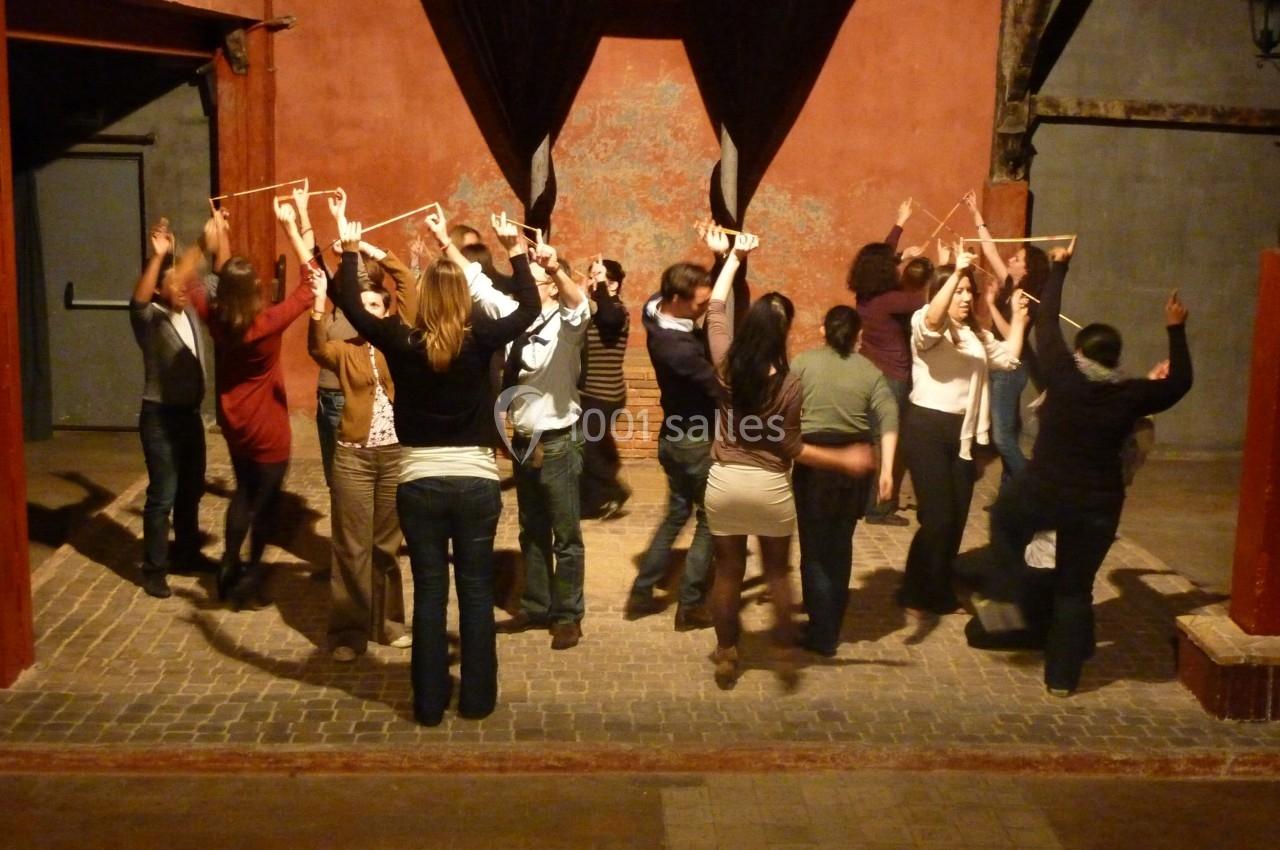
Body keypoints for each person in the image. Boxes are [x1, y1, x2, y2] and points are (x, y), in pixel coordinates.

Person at [331, 209, 538, 725]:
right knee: (473, 590)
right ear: (464, 299)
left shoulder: (402, 342)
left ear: (423, 297)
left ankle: (426, 704)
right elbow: (530, 307)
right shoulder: (482, 338)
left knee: (428, 592)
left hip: (419, 481)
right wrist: (514, 248)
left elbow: (352, 307)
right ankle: (477, 699)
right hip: (475, 481)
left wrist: (350, 250)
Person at [976, 244, 1192, 696]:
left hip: (1044, 494)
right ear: (1115, 360)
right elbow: (1179, 384)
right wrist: (1176, 329)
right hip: (1096, 507)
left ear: (1080, 353)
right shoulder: (1130, 394)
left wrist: (1059, 266)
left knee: (1004, 520)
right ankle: (1061, 679)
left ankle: (1009, 602)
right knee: (1074, 591)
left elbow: (1048, 320)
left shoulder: (1063, 375)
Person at [701, 229, 874, 689]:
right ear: (785, 332)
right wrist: (844, 460)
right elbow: (792, 448)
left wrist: (734, 260)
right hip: (770, 485)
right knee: (777, 573)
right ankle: (781, 652)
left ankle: (726, 652)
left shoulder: (725, 365)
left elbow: (716, 310)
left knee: (728, 571)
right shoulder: (792, 383)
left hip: (724, 481)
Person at [186, 211, 314, 610]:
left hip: (234, 420)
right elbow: (311, 286)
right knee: (266, 504)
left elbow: (192, 280)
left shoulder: (216, 316)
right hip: (268, 425)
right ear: (255, 290)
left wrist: (210, 239)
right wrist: (294, 228)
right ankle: (252, 573)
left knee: (242, 492)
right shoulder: (268, 322)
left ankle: (228, 562)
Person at [306, 229, 417, 661]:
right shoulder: (345, 352)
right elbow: (316, 347)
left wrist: (373, 251)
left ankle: (387, 624)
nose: (370, 312)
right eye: (364, 305)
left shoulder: (399, 346)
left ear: (386, 312)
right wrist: (318, 306)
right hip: (353, 458)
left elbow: (406, 284)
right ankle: (349, 631)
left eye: (377, 305)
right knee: (351, 547)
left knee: (386, 547)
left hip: (394, 456)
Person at [897, 250, 1028, 618]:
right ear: (943, 290)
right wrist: (956, 271)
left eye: (969, 291)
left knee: (954, 520)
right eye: (958, 291)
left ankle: (932, 586)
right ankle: (916, 586)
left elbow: (1008, 359)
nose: (966, 297)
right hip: (926, 428)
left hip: (963, 433)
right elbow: (933, 319)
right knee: (937, 518)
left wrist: (1018, 319)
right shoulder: (926, 324)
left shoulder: (974, 335)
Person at [496, 235, 591, 650]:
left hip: (558, 440)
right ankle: (536, 606)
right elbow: (478, 287)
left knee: (565, 534)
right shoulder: (519, 319)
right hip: (523, 439)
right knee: (530, 529)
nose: (522, 286)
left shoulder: (568, 326)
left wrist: (554, 267)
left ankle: (568, 615)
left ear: (552, 285)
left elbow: (579, 303)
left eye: (531, 280)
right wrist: (445, 243)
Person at [792, 306, 898, 657]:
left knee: (814, 549)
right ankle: (831, 622)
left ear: (823, 330)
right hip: (857, 463)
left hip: (813, 460)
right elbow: (889, 415)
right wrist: (887, 470)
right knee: (841, 544)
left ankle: (821, 630)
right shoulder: (869, 370)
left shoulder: (803, 364)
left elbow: (783, 409)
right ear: (858, 336)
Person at [627, 259, 720, 631]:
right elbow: (720, 389)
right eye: (699, 304)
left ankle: (642, 589)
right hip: (695, 442)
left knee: (676, 514)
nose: (705, 309)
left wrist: (719, 260)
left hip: (672, 440)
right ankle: (691, 605)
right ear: (677, 299)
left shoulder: (653, 308)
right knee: (710, 521)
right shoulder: (678, 349)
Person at [129, 218, 210, 598]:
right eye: (172, 284)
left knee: (191, 489)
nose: (181, 288)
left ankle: (188, 553)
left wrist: (203, 240)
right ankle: (154, 568)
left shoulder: (189, 311)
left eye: (182, 283)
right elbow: (138, 300)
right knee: (163, 494)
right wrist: (157, 256)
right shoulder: (150, 320)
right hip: (160, 417)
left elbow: (188, 270)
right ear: (160, 289)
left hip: (190, 416)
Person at [964, 190, 1050, 487]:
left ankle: (1031, 488)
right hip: (1005, 362)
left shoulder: (1025, 298)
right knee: (1007, 432)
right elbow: (989, 251)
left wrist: (989, 305)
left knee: (1002, 437)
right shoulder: (1013, 284)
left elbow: (1009, 333)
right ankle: (1010, 494)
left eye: (1018, 258)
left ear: (1026, 269)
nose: (1011, 258)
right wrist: (976, 214)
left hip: (1012, 369)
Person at [851, 210, 929, 526]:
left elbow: (879, 260)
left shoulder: (866, 294)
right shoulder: (897, 300)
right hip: (892, 376)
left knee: (868, 438)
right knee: (887, 443)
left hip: (868, 370)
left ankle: (860, 502)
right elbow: (929, 301)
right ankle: (879, 508)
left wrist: (899, 225)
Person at [579, 257, 632, 519]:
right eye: (593, 276)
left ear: (615, 285)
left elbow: (608, 317)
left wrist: (600, 286)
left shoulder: (617, 310)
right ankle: (594, 499)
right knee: (594, 444)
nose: (595, 282)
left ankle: (613, 490)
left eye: (603, 279)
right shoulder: (592, 308)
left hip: (604, 394)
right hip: (589, 394)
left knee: (586, 446)